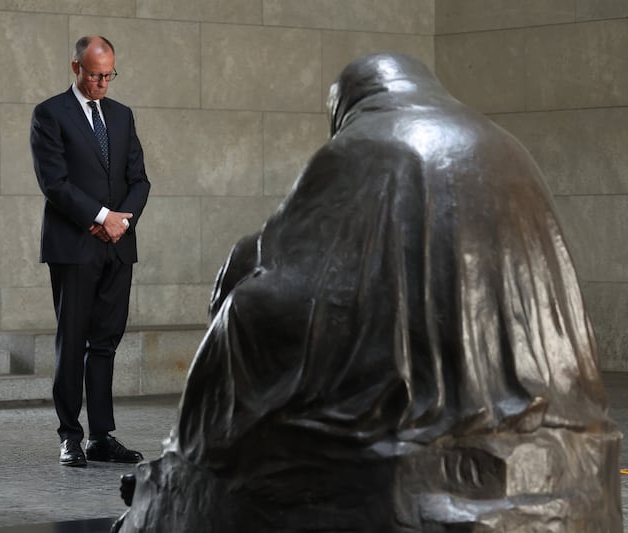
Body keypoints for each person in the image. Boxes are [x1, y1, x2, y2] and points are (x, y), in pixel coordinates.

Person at [112, 53, 619, 531]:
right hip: (536, 387)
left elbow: (290, 264)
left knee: (241, 318)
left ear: (351, 103)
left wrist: (245, 262)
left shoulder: (364, 144)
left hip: (402, 378)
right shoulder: (506, 145)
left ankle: (197, 469)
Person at [30, 35, 150, 467]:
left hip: (118, 245)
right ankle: (70, 436)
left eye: (109, 75)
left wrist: (120, 221)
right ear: (76, 67)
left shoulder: (122, 116)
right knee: (72, 339)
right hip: (74, 245)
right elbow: (54, 183)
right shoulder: (50, 114)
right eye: (96, 74)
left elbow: (140, 180)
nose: (103, 82)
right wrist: (101, 217)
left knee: (105, 342)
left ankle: (101, 435)